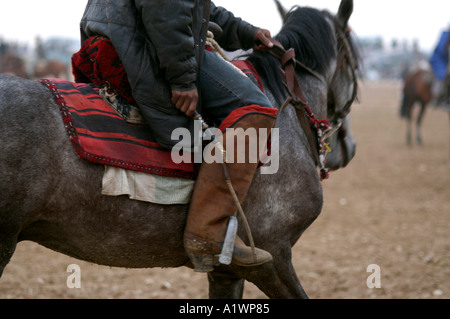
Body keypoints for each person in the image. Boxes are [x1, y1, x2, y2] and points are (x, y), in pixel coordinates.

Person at [79, 0, 277, 272]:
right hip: (143, 44)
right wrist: (183, 80)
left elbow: (197, 8)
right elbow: (167, 10)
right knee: (256, 108)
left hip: (121, 34)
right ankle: (209, 233)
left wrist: (246, 31)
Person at [429, 27, 450, 108]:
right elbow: (442, 50)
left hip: (447, 59)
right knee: (443, 75)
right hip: (440, 60)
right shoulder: (445, 35)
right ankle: (438, 97)